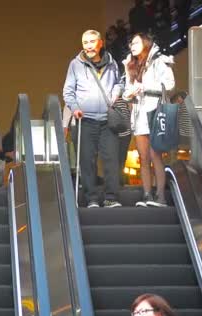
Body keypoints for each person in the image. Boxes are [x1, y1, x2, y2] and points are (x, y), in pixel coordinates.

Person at [63, 29, 122, 208]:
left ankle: (111, 197)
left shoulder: (112, 63)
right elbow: (68, 91)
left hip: (107, 121)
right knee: (87, 162)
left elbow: (119, 82)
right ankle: (92, 199)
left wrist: (115, 94)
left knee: (111, 160)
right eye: (85, 42)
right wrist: (74, 109)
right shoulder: (75, 64)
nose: (88, 46)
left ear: (100, 43)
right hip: (84, 121)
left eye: (92, 42)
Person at [122, 33, 175, 207]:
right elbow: (126, 90)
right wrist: (130, 92)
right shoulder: (131, 64)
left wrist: (146, 88)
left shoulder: (159, 60)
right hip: (138, 115)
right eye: (131, 43)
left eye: (136, 42)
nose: (132, 45)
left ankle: (161, 196)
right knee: (143, 158)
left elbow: (170, 83)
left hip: (155, 111)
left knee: (155, 155)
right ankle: (147, 194)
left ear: (146, 43)